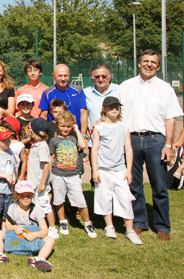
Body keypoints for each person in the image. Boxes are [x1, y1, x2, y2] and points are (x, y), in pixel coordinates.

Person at [119, 49, 183, 241]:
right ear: (139, 64)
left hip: (156, 141)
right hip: (131, 139)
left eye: (153, 62)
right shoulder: (126, 86)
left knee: (159, 186)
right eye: (145, 61)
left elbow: (170, 119)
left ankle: (163, 226)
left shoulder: (165, 89)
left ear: (158, 65)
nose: (149, 65)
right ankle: (139, 222)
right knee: (134, 184)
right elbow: (118, 114)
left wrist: (169, 145)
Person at [91, 97, 142, 245]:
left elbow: (128, 149)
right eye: (110, 107)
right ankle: (109, 226)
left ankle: (129, 230)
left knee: (125, 199)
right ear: (104, 110)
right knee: (104, 199)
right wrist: (95, 170)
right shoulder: (98, 128)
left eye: (117, 107)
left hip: (120, 171)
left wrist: (129, 170)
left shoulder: (124, 127)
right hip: (103, 170)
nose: (114, 109)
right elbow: (94, 149)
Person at [0, 181, 54, 272]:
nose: (25, 198)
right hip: (15, 242)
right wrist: (14, 228)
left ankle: (39, 259)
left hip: (32, 242)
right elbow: (7, 225)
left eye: (28, 195)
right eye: (22, 195)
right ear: (16, 195)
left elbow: (45, 230)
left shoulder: (37, 210)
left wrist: (34, 235)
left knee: (50, 240)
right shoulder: (12, 207)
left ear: (32, 196)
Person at [49, 111, 96, 238]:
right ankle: (62, 221)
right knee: (59, 200)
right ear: (58, 125)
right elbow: (52, 158)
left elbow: (83, 145)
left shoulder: (74, 138)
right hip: (58, 174)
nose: (65, 129)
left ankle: (87, 223)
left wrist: (77, 129)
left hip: (73, 175)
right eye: (63, 126)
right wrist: (49, 175)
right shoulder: (54, 140)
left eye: (68, 126)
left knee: (80, 200)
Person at [26, 118, 57, 239]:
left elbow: (46, 165)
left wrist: (42, 183)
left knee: (45, 206)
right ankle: (39, 226)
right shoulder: (36, 145)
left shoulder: (42, 146)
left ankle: (52, 228)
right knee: (36, 206)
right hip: (33, 183)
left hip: (40, 185)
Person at [39, 64, 88, 133]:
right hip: (54, 134)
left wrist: (83, 133)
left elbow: (83, 113)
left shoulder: (78, 91)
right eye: (60, 76)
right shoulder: (47, 93)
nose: (63, 79)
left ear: (69, 75)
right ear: (53, 76)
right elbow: (44, 116)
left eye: (65, 76)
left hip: (75, 133)